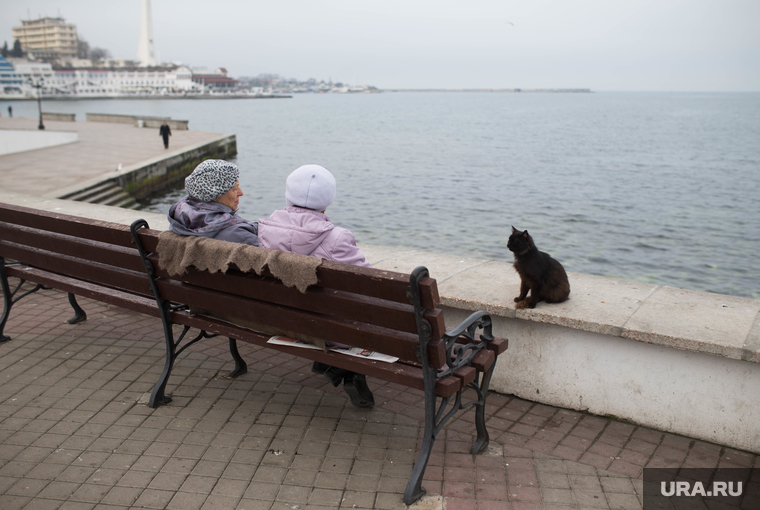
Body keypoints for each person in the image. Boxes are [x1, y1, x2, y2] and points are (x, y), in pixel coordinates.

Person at [258, 164, 374, 407]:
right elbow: (370, 285)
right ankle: (342, 368)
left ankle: (338, 368)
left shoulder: (265, 228)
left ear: (289, 193)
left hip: (280, 320)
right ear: (328, 200)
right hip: (326, 330)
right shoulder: (337, 238)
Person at [167, 159, 258, 245]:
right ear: (215, 195)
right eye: (234, 188)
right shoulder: (239, 234)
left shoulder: (179, 221)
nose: (241, 193)